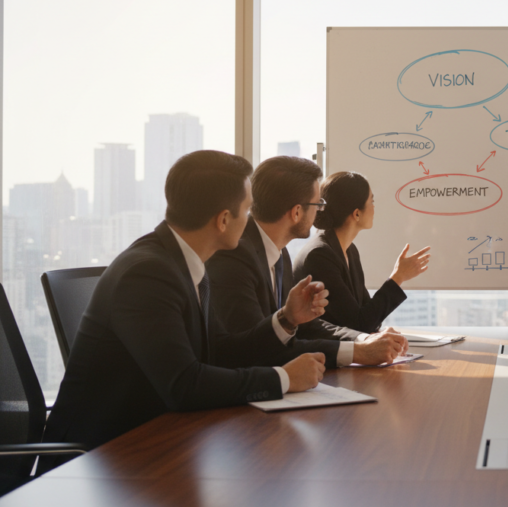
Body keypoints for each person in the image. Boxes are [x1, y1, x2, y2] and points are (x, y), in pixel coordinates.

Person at [43, 151, 327, 453]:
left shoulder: (186, 264)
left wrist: (286, 319)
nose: (250, 221)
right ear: (223, 220)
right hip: (100, 458)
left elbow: (221, 351)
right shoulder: (147, 273)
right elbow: (184, 385)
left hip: (157, 440)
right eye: (247, 211)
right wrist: (283, 378)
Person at [207, 156, 408, 369]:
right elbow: (259, 349)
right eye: (317, 204)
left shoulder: (278, 251)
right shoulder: (234, 256)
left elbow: (302, 326)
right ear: (296, 212)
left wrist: (362, 340)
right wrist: (357, 352)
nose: (320, 211)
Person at [293, 171, 430, 333]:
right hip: (322, 355)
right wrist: (397, 277)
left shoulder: (349, 250)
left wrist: (378, 332)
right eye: (371, 201)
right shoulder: (319, 256)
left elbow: (365, 313)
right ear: (356, 213)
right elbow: (359, 323)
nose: (374, 207)